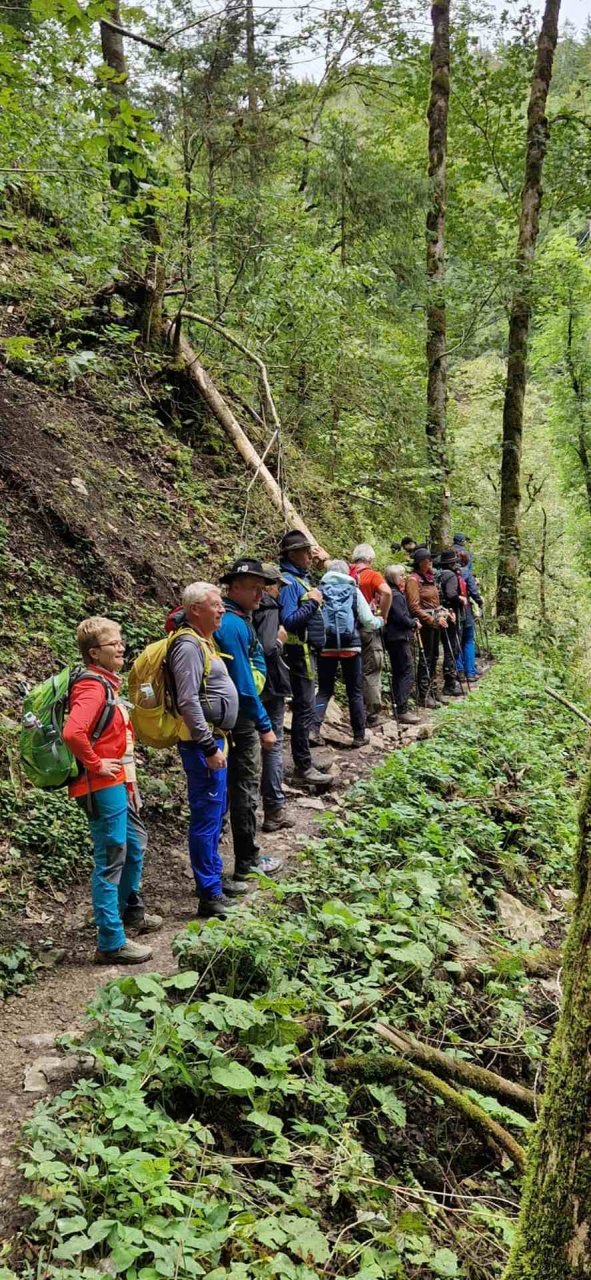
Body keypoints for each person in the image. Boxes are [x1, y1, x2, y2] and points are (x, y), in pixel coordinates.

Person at [62, 616, 161, 965]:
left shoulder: (108, 683)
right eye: (112, 643)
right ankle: (110, 941)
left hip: (118, 783)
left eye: (120, 640)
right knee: (110, 858)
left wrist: (126, 776)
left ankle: (127, 912)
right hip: (100, 785)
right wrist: (96, 763)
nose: (121, 646)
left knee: (135, 845)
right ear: (94, 653)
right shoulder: (91, 687)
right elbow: (73, 732)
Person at [167, 582, 240, 918]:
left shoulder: (201, 641)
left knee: (215, 813)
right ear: (195, 608)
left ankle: (215, 882)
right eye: (215, 604)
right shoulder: (187, 645)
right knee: (207, 817)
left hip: (214, 740)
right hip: (203, 745)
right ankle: (209, 893)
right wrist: (208, 745)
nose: (221, 608)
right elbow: (187, 700)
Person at [215, 558, 282, 882]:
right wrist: (264, 726)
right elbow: (242, 683)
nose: (260, 593)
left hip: (226, 714)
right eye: (254, 588)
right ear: (234, 588)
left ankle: (233, 858)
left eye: (262, 587)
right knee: (244, 786)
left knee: (232, 787)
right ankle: (247, 860)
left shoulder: (234, 619)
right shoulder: (231, 625)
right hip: (239, 717)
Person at [279, 530, 333, 789]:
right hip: (298, 655)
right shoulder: (289, 583)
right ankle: (303, 766)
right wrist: (312, 603)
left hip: (305, 653)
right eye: (304, 551)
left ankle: (305, 761)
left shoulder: (300, 579)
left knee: (306, 708)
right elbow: (289, 621)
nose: (310, 556)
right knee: (304, 709)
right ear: (291, 554)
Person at [311, 559, 384, 747]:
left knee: (325, 690)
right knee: (355, 692)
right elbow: (368, 620)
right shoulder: (353, 591)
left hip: (325, 647)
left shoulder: (319, 591)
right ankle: (359, 735)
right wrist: (380, 622)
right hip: (350, 648)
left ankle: (313, 729)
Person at [253, 564, 295, 832]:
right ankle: (274, 810)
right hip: (268, 685)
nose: (280, 591)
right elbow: (268, 647)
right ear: (267, 585)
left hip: (249, 685)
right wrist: (280, 640)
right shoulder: (268, 607)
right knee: (273, 744)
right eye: (278, 585)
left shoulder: (239, 609)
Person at [348, 544, 392, 724]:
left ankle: (355, 712)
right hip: (368, 627)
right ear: (369, 559)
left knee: (353, 671)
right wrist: (384, 615)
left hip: (348, 629)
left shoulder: (347, 573)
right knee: (372, 669)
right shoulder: (372, 575)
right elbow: (387, 592)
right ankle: (372, 714)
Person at [405, 546, 449, 709]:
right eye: (427, 560)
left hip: (436, 622)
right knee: (426, 659)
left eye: (431, 559)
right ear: (420, 563)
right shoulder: (413, 580)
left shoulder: (429, 578)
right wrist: (430, 620)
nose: (430, 562)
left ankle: (433, 691)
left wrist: (443, 613)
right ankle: (423, 694)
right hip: (425, 625)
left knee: (435, 656)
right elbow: (414, 607)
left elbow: (435, 603)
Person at [383, 565, 420, 725]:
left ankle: (398, 706)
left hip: (393, 637)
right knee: (406, 671)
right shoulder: (396, 595)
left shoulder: (393, 593)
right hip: (398, 637)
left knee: (399, 671)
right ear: (394, 578)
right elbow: (400, 617)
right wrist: (413, 623)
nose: (404, 578)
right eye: (401, 576)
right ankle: (402, 710)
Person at [437, 549, 464, 697]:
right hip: (450, 615)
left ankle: (448, 682)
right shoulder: (452, 576)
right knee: (451, 648)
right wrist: (461, 599)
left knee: (443, 649)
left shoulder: (438, 574)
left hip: (438, 614)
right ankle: (450, 684)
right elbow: (452, 594)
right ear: (453, 563)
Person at [457, 549, 483, 680]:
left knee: (457, 641)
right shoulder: (466, 573)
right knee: (468, 641)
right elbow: (473, 591)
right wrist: (480, 602)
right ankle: (470, 672)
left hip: (453, 613)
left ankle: (459, 671)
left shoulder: (447, 574)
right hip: (465, 611)